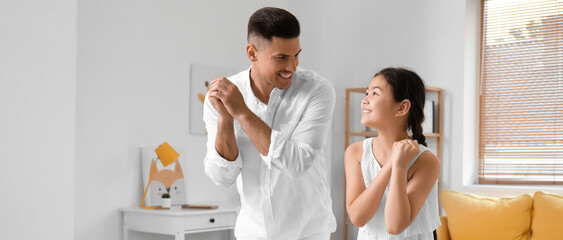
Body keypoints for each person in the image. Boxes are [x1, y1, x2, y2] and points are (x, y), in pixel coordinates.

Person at [202, 7, 336, 240]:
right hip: (252, 233)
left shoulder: (317, 91)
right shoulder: (224, 96)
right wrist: (226, 119)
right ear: (252, 53)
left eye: (296, 55)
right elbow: (222, 177)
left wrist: (242, 113)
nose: (292, 66)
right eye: (282, 57)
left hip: (308, 233)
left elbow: (296, 164)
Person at [344, 67, 441, 240]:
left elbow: (395, 225)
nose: (364, 100)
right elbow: (358, 217)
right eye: (367, 93)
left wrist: (400, 166)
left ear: (402, 107)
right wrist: (392, 164)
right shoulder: (355, 152)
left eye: (375, 94)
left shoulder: (427, 161)